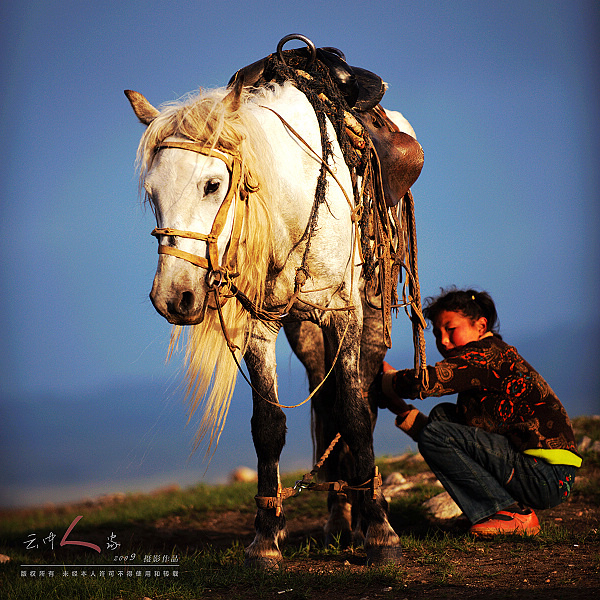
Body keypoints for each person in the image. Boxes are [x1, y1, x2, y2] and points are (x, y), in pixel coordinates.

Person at [378, 287, 581, 536]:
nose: (442, 340)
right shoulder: (486, 358)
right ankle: (493, 512)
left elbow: (429, 381)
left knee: (439, 430)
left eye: (451, 329)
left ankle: (508, 513)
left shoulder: (487, 355)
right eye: (438, 333)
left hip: (545, 474)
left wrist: (388, 380)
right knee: (443, 417)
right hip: (539, 472)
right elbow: (443, 436)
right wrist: (402, 410)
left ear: (481, 325)